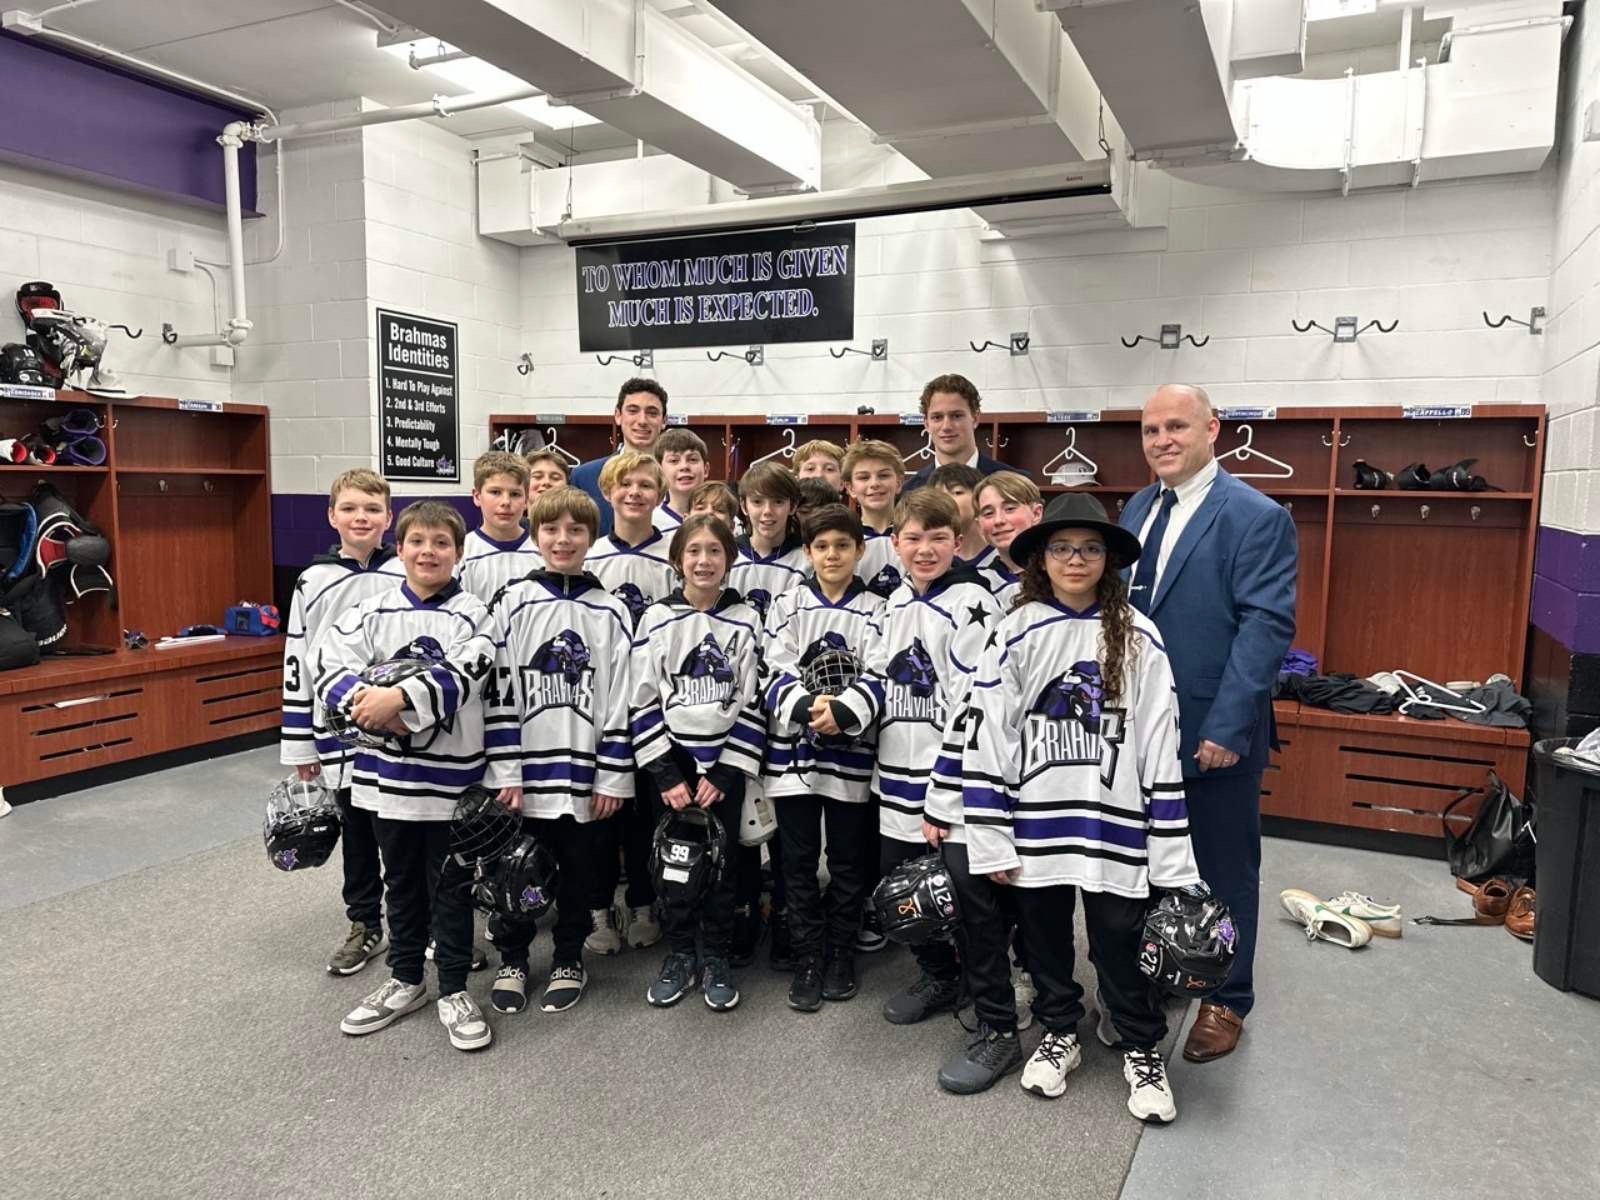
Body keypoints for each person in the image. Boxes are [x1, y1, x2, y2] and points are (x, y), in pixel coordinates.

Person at [963, 492, 1201, 1124]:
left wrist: (1167, 847)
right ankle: (1059, 1029)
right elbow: (988, 735)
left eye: (1091, 548)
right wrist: (990, 833)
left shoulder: (1140, 635)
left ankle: (1140, 1043)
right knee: (1042, 937)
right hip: (1035, 821)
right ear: (1042, 557)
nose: (1076, 559)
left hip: (1113, 821)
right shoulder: (1014, 630)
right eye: (1063, 547)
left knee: (1120, 938)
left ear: (1108, 560)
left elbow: (1160, 741)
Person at [1120, 383, 1296, 1063]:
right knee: (1154, 861)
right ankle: (1168, 967)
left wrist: (1226, 725)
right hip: (1140, 726)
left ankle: (1227, 998)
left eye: (1176, 426)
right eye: (1150, 430)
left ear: (1213, 429)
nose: (1162, 440)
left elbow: (1265, 626)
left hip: (1212, 728)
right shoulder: (1137, 508)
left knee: (1224, 868)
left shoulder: (1256, 516)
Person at [314, 501, 500, 1052]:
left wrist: (398, 701)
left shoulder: (475, 614)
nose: (428, 552)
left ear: (458, 553)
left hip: (451, 783)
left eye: (441, 543)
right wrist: (369, 707)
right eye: (417, 541)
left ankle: (453, 988)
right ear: (400, 549)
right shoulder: (370, 611)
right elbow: (328, 665)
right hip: (386, 777)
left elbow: (468, 671)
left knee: (452, 885)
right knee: (399, 881)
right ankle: (405, 979)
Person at [834, 487, 998, 1027]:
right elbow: (879, 674)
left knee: (965, 893)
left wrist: (945, 788)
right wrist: (842, 711)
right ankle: (940, 975)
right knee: (901, 888)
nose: (925, 549)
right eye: (913, 538)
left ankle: (985, 990)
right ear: (894, 542)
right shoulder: (897, 601)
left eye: (937, 538)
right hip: (895, 781)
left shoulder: (973, 603)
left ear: (957, 540)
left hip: (949, 785)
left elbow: (975, 704)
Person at [481, 485, 635, 1016]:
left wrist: (612, 775)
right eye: (551, 529)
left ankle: (569, 956)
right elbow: (497, 691)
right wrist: (506, 770)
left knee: (579, 870)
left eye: (575, 530)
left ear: (592, 537)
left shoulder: (611, 610)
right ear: (535, 534)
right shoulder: (512, 603)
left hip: (585, 774)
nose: (563, 540)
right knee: (513, 870)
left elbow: (623, 698)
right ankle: (513, 959)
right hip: (524, 776)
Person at [630, 514, 767, 1011]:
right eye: (694, 551)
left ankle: (717, 956)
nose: (704, 561)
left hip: (723, 769)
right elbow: (641, 698)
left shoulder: (747, 619)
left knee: (723, 866)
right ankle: (681, 953)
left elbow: (755, 699)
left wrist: (726, 771)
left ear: (729, 559)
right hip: (673, 769)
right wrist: (665, 772)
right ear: (677, 560)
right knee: (675, 865)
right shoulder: (655, 618)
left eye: (715, 551)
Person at [280, 467, 404, 977]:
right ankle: (364, 922)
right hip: (338, 734)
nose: (361, 517)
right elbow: (297, 661)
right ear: (332, 515)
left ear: (388, 517)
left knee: (403, 830)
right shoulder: (313, 581)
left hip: (400, 729)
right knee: (357, 832)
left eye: (372, 509)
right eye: (350, 508)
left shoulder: (405, 571)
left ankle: (416, 925)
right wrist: (300, 746)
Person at [761, 504, 885, 1011]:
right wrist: (813, 709)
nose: (832, 555)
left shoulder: (878, 609)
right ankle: (808, 956)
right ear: (808, 553)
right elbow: (774, 667)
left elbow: (881, 671)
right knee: (797, 862)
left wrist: (844, 711)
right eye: (821, 546)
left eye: (842, 545)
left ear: (860, 549)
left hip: (851, 756)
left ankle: (840, 952)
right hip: (794, 756)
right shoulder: (787, 605)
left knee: (848, 862)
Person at [583, 450, 678, 955]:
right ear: (608, 491)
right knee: (602, 815)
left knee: (645, 815)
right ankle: (600, 908)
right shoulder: (590, 556)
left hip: (655, 707)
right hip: (600, 707)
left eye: (645, 484)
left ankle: (644, 902)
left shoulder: (674, 556)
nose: (635, 492)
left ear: (660, 494)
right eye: (626, 484)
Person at [727, 460, 809, 966]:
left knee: (784, 816)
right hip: (737, 701)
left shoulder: (806, 559)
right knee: (740, 808)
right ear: (743, 505)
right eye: (757, 501)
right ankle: (742, 909)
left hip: (784, 704)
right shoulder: (727, 555)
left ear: (792, 506)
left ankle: (784, 913)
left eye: (778, 501)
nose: (767, 511)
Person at [569, 378, 668, 535]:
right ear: (618, 416)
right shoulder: (584, 478)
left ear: (664, 420)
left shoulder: (679, 478)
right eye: (633, 411)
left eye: (652, 413)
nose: (642, 420)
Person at [458, 451, 540, 600]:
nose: (506, 502)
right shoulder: (462, 553)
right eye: (495, 492)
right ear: (477, 496)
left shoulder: (543, 550)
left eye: (515, 494)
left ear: (526, 499)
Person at [903, 374, 1005, 490]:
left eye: (956, 416)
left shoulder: (1013, 484)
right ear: (926, 424)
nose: (946, 426)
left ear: (975, 419)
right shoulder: (908, 492)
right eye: (937, 417)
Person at [843, 438, 907, 600]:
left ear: (899, 483)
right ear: (850, 488)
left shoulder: (917, 536)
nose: (874, 484)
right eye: (864, 477)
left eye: (884, 475)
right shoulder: (843, 539)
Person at [974, 471, 1045, 608]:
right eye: (988, 513)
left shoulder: (1061, 575)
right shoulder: (975, 583)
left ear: (1036, 513)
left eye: (1010, 509)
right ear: (979, 525)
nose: (999, 520)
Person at [927, 462, 989, 565]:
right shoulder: (928, 558)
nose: (946, 500)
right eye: (938, 495)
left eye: (957, 492)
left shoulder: (1001, 555)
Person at [654, 427, 710, 533]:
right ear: (660, 471)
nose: (684, 466)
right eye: (674, 460)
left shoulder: (724, 518)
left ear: (706, 469)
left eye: (692, 459)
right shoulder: (650, 524)